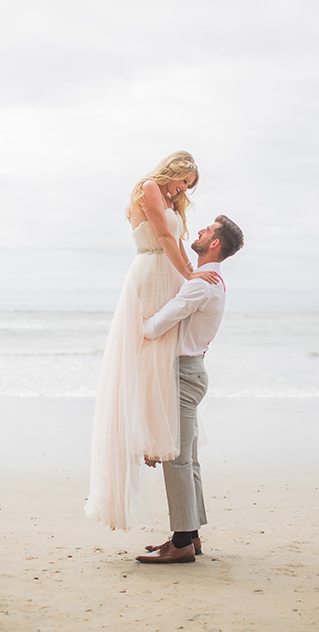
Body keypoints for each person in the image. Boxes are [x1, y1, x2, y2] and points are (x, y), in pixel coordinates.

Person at [85, 152, 219, 531]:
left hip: (170, 271)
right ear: (172, 170)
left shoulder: (171, 199)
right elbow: (162, 236)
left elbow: (174, 239)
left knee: (165, 351)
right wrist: (191, 275)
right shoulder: (148, 187)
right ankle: (149, 433)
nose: (182, 189)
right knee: (150, 347)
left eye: (188, 187)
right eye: (182, 181)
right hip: (154, 269)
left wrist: (189, 274)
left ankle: (156, 432)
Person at [135, 214, 244, 563]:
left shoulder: (200, 284)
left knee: (178, 460)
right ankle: (191, 535)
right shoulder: (212, 282)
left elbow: (155, 327)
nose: (199, 231)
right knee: (188, 458)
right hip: (191, 372)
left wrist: (134, 321)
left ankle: (181, 543)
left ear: (214, 243)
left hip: (183, 375)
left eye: (207, 230)